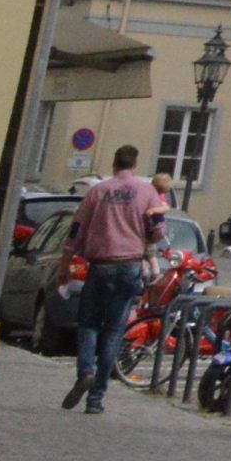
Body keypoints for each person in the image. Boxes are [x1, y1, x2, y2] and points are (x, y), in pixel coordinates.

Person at [61, 144, 163, 413]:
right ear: (135, 164)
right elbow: (158, 232)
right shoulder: (147, 191)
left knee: (89, 324)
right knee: (113, 332)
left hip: (100, 265)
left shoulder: (98, 191)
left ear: (114, 163)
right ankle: (96, 400)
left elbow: (76, 230)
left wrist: (65, 265)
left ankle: (86, 370)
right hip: (130, 266)